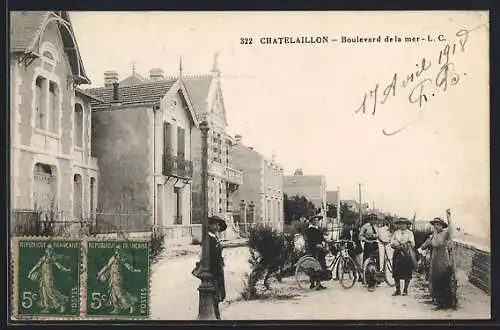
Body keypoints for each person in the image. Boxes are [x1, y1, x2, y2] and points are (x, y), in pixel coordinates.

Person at [418, 214, 455, 309]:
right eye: (435, 224)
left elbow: (451, 230)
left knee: (443, 276)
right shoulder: (434, 234)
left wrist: (449, 217)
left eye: (438, 224)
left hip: (443, 256)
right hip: (434, 256)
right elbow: (427, 243)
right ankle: (436, 299)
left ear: (442, 225)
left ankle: (444, 301)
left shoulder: (445, 233)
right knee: (434, 277)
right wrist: (423, 246)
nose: (436, 226)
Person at [97, 245, 141, 314]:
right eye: (117, 250)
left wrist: (134, 270)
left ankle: (131, 305)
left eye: (119, 250)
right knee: (113, 293)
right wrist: (101, 273)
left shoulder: (120, 258)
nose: (117, 251)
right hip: (112, 277)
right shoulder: (114, 258)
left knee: (119, 293)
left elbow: (127, 266)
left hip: (117, 277)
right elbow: (108, 267)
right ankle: (116, 309)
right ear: (115, 251)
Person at [28, 244, 71, 313]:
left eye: (51, 250)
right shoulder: (44, 258)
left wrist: (67, 270)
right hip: (43, 276)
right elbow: (37, 265)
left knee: (50, 291)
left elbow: (59, 266)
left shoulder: (52, 258)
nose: (49, 251)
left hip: (48, 277)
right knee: (43, 291)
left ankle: (62, 304)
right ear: (46, 250)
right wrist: (31, 272)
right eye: (48, 249)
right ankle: (47, 307)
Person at [390, 217, 416, 296]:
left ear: (407, 225)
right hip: (397, 253)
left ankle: (405, 289)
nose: (402, 225)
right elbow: (391, 242)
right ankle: (397, 290)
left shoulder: (409, 233)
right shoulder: (396, 232)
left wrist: (405, 244)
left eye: (404, 224)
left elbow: (412, 243)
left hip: (406, 254)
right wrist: (395, 244)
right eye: (400, 224)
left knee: (407, 271)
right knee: (396, 272)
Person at [208, 215, 227, 319]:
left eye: (218, 225)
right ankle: (216, 315)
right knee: (214, 293)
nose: (217, 227)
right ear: (210, 225)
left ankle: (216, 314)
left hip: (218, 267)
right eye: (215, 224)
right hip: (213, 269)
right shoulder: (209, 238)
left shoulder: (215, 237)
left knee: (218, 292)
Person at [304, 216, 328, 290]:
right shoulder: (310, 229)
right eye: (316, 221)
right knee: (316, 266)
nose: (317, 222)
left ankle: (318, 283)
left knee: (319, 266)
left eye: (318, 221)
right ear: (312, 222)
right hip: (314, 250)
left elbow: (321, 237)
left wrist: (326, 241)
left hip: (318, 249)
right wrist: (317, 244)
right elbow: (311, 240)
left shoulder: (316, 229)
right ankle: (313, 284)